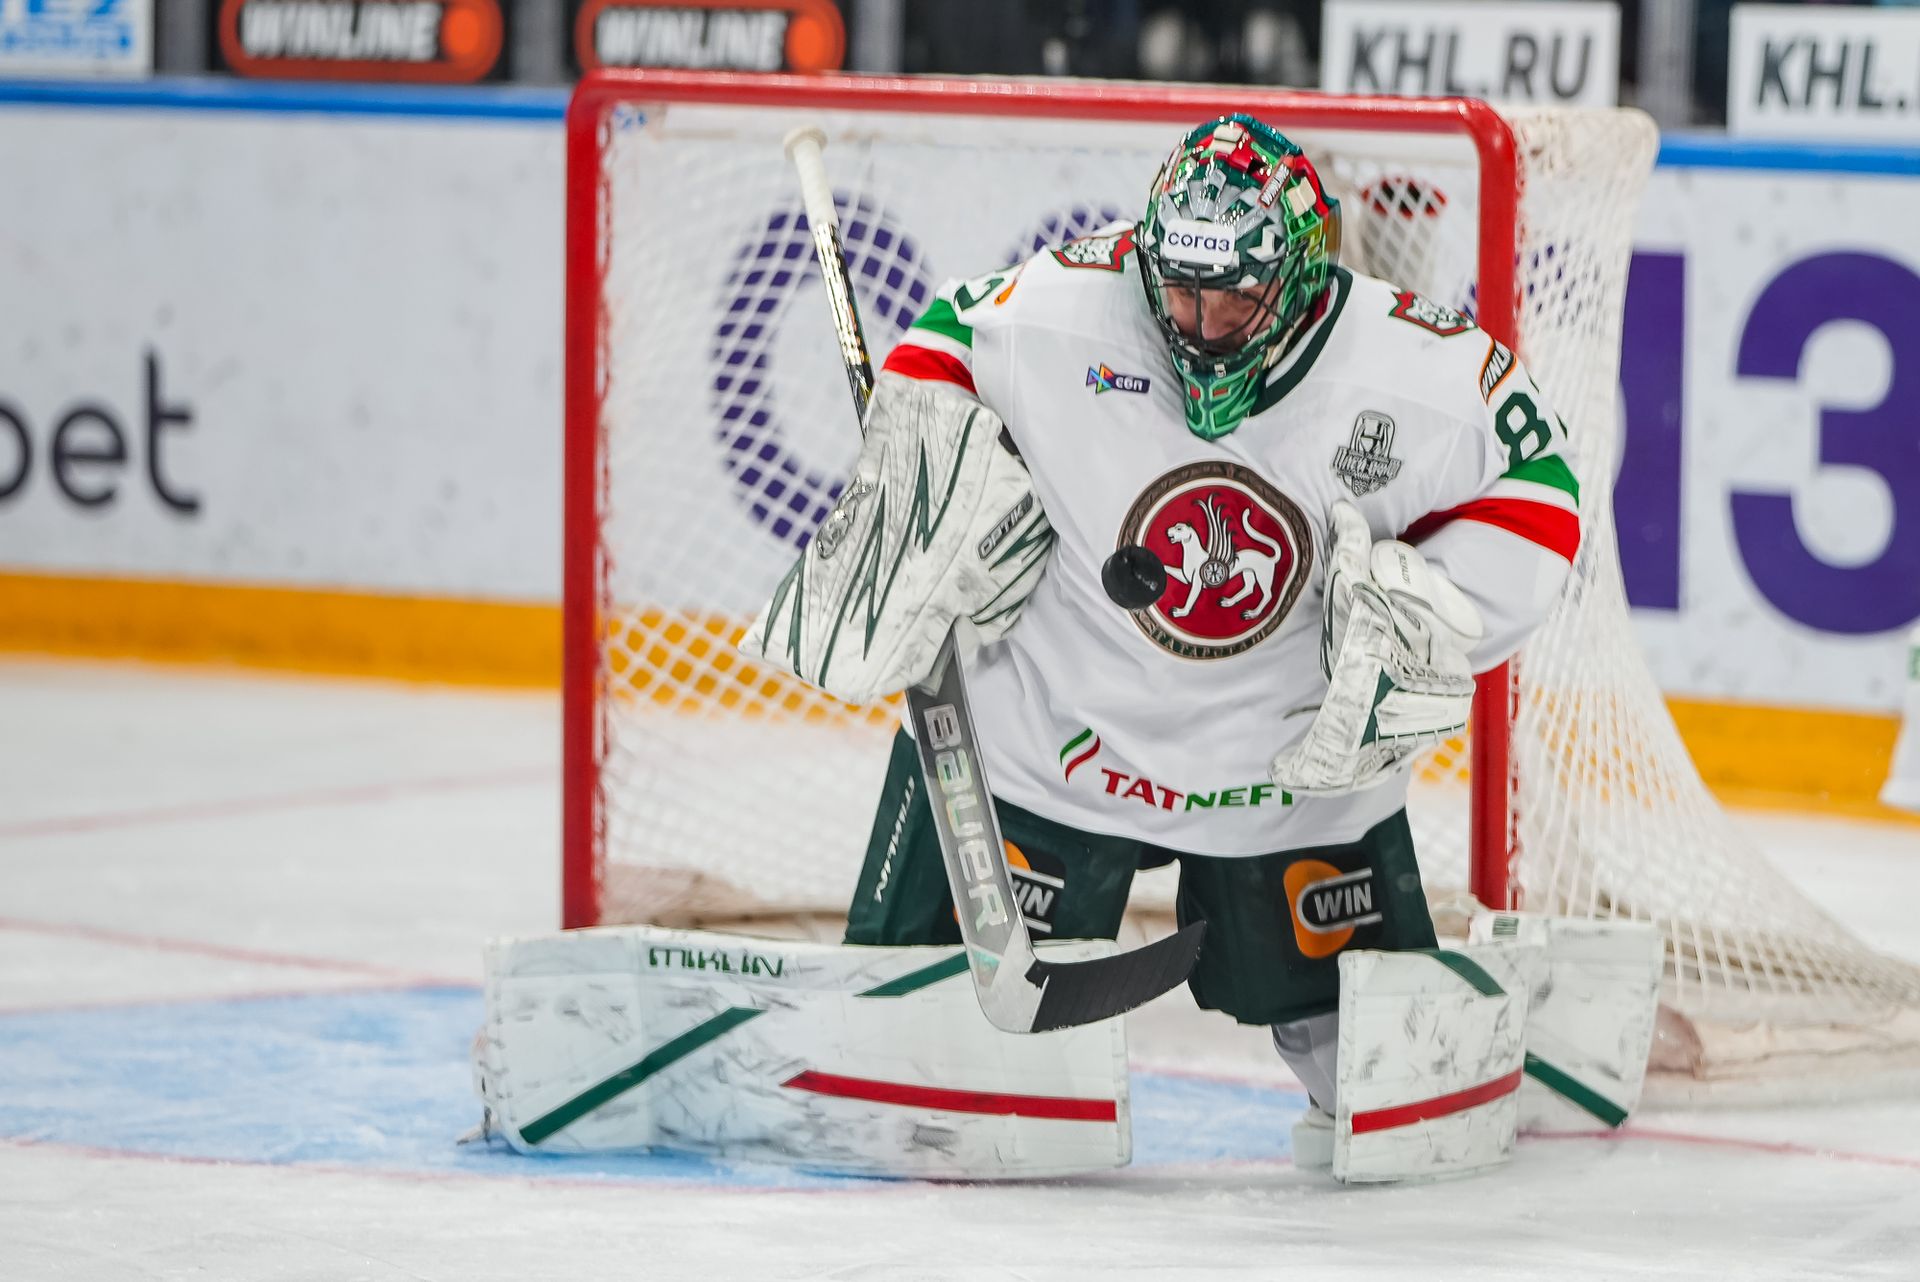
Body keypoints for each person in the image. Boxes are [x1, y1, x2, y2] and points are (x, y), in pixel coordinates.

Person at [741, 115, 1578, 1162]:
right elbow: (944, 340)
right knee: (913, 1068)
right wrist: (925, 476)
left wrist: (1434, 609)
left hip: (1286, 771)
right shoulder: (1068, 311)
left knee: (1372, 1087)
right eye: (1179, 291)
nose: (1200, 323)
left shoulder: (1412, 367)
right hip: (1049, 740)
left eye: (1234, 298)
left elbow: (1541, 489)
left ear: (1300, 277)